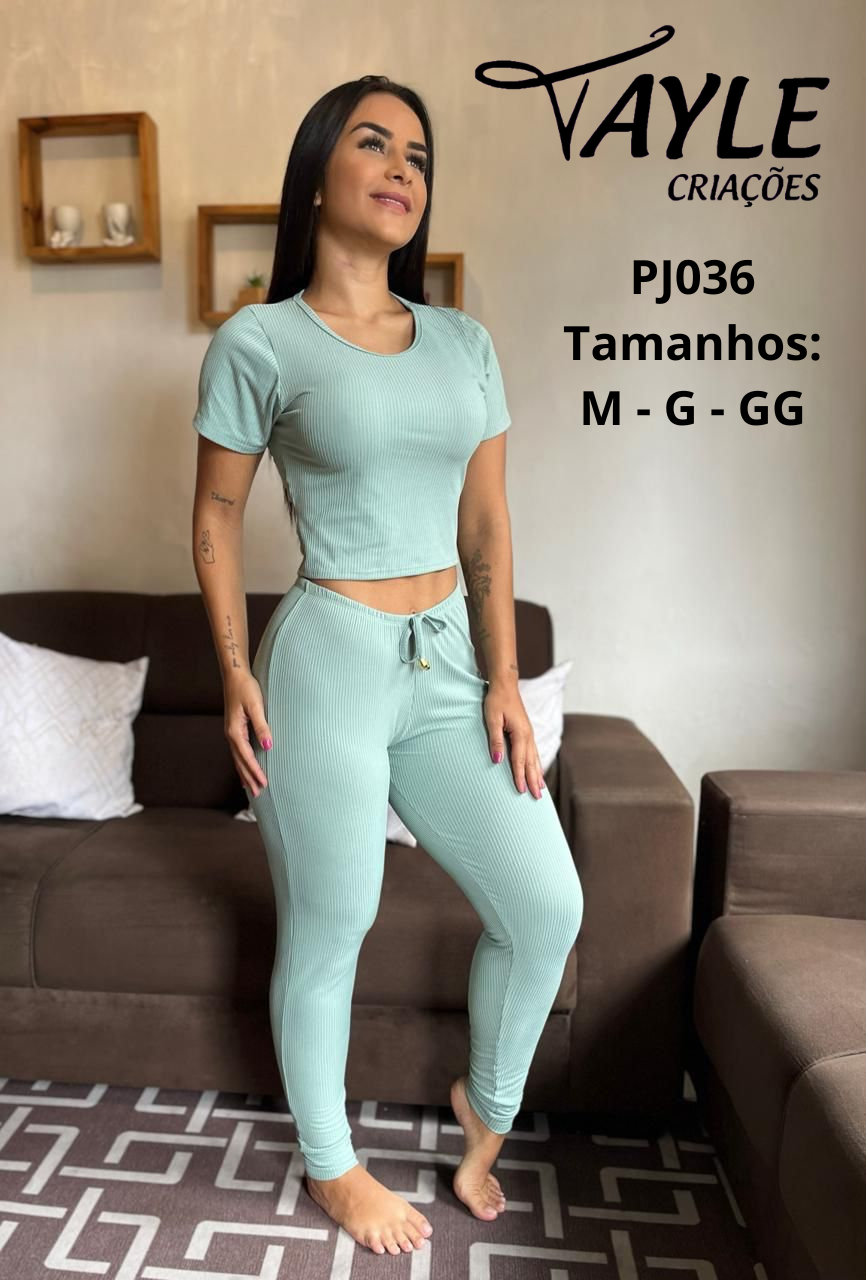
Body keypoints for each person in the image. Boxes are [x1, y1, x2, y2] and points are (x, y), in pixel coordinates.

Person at [191, 73, 584, 1258]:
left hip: (448, 661)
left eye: (418, 153)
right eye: (373, 142)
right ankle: (331, 1163)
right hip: (327, 661)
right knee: (333, 919)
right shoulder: (260, 340)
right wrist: (232, 671)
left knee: (545, 904)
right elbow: (216, 513)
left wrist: (502, 677)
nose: (403, 166)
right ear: (317, 174)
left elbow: (487, 524)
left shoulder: (463, 341)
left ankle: (483, 1108)